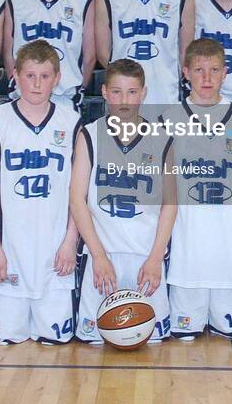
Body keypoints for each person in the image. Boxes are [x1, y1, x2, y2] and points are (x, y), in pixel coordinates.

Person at [0, 40, 81, 345]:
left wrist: (70, 241)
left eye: (45, 76)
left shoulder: (72, 122)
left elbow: (80, 191)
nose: (37, 84)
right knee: (6, 342)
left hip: (55, 256)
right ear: (16, 75)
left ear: (58, 78)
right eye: (30, 75)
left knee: (56, 342)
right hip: (11, 255)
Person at [70, 59, 176, 344]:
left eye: (131, 92)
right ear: (104, 92)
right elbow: (77, 200)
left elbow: (171, 203)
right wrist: (98, 255)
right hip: (104, 258)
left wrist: (156, 258)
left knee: (152, 346)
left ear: (143, 93)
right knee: (93, 347)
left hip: (146, 259)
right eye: (117, 92)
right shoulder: (90, 135)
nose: (124, 101)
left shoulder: (163, 138)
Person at [163, 39, 232, 342]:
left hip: (231, 244)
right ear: (185, 72)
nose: (207, 78)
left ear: (226, 72)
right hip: (187, 249)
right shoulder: (168, 118)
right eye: (199, 70)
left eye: (214, 70)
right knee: (183, 341)